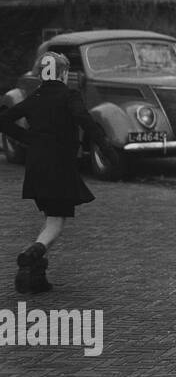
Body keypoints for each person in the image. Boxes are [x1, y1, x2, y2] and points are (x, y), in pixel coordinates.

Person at [0, 52, 113, 294]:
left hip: (37, 166)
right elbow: (85, 120)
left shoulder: (35, 97)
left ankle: (35, 276)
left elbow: (4, 120)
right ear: (63, 73)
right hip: (60, 165)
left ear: (41, 73)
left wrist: (28, 139)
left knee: (51, 218)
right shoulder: (69, 95)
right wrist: (105, 147)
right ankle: (30, 255)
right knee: (56, 222)